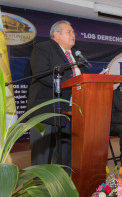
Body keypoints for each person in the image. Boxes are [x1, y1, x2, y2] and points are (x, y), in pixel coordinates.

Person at [27, 20, 87, 173]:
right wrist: (71, 84)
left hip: (69, 111)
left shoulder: (75, 56)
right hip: (45, 109)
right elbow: (42, 74)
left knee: (65, 155)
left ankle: (62, 186)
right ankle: (39, 190)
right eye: (69, 32)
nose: (73, 35)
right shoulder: (44, 48)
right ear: (56, 34)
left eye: (73, 32)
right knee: (42, 157)